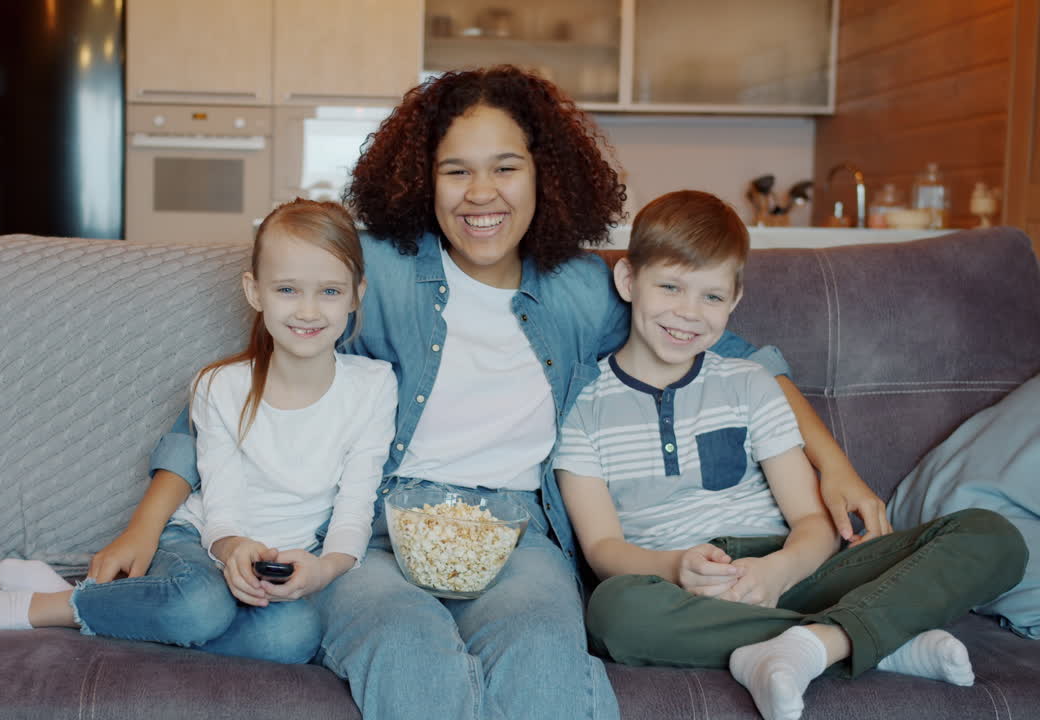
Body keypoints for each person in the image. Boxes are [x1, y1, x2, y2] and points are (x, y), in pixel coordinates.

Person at [152, 66, 890, 720]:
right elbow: (238, 395)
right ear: (423, 180)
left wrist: (835, 468)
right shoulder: (380, 270)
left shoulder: (580, 290)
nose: (482, 194)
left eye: (505, 168)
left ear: (545, 175)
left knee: (540, 658)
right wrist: (147, 521)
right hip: (378, 531)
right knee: (406, 653)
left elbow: (737, 357)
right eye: (456, 171)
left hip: (517, 534)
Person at [555, 190, 1029, 720]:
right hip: (681, 586)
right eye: (670, 287)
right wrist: (674, 567)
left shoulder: (750, 383)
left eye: (712, 296)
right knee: (613, 613)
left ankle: (823, 641)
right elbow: (603, 547)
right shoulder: (582, 406)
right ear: (628, 280)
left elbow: (812, 521)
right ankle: (871, 641)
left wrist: (779, 571)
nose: (688, 313)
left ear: (735, 300)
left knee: (993, 536)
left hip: (794, 572)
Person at [0, 199, 398, 666]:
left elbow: (355, 505)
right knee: (201, 607)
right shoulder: (219, 386)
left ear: (357, 293)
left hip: (281, 562)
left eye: (329, 291)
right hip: (202, 541)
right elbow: (222, 503)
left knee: (293, 639)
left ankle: (100, 602)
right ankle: (28, 608)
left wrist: (323, 570)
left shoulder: (375, 386)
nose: (308, 311)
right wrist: (231, 549)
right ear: (254, 292)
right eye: (287, 289)